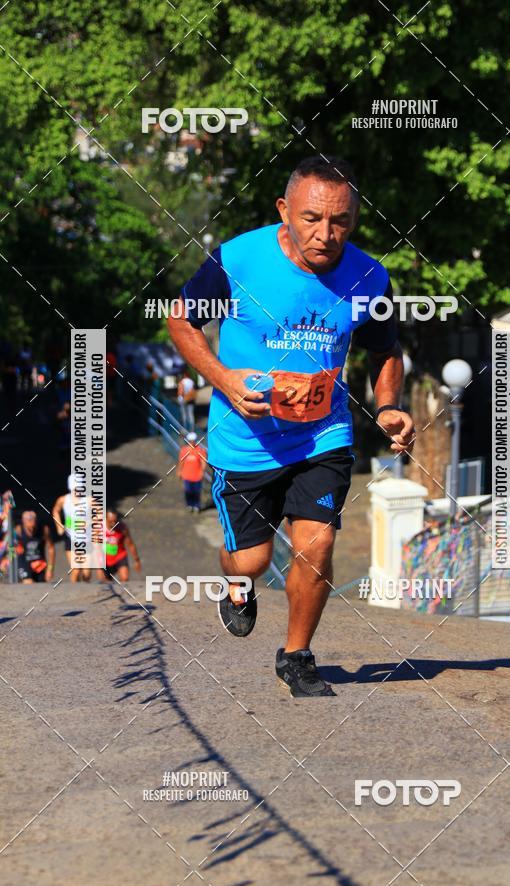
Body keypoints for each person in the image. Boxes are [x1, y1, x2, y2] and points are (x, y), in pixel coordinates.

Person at [168, 155, 415, 698]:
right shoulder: (238, 259)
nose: (326, 234)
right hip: (245, 439)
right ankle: (237, 585)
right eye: (311, 218)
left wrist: (389, 404)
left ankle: (297, 655)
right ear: (284, 210)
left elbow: (384, 350)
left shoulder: (369, 276)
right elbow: (180, 318)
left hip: (322, 434)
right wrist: (224, 379)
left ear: (354, 218)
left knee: (317, 545)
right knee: (253, 560)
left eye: (340, 221)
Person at [51, 474, 91, 582]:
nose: (77, 491)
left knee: (87, 573)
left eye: (79, 488)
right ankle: (75, 591)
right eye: (75, 488)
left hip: (85, 538)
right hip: (70, 536)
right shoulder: (63, 500)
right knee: (76, 568)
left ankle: (86, 590)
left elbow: (100, 514)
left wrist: (89, 522)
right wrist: (59, 525)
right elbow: (55, 510)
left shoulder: (89, 500)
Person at [97, 509, 141, 582]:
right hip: (104, 558)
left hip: (119, 556)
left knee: (125, 578)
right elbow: (94, 547)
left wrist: (136, 560)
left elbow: (130, 544)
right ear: (106, 519)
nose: (113, 523)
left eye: (115, 521)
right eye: (111, 521)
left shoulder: (122, 528)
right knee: (104, 581)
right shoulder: (99, 528)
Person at [15, 511, 55, 583]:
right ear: (23, 521)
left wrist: (50, 569)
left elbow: (51, 548)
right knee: (28, 582)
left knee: (41, 586)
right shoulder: (18, 530)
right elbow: (10, 546)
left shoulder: (44, 530)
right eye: (28, 522)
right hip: (24, 562)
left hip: (39, 563)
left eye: (33, 524)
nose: (31, 529)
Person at [177, 432, 207, 511]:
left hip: (197, 476)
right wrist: (179, 471)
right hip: (186, 475)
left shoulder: (200, 450)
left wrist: (202, 472)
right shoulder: (184, 450)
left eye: (193, 440)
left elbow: (203, 462)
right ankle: (189, 505)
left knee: (196, 491)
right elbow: (181, 462)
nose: (192, 442)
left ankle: (196, 505)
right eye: (190, 440)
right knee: (188, 491)